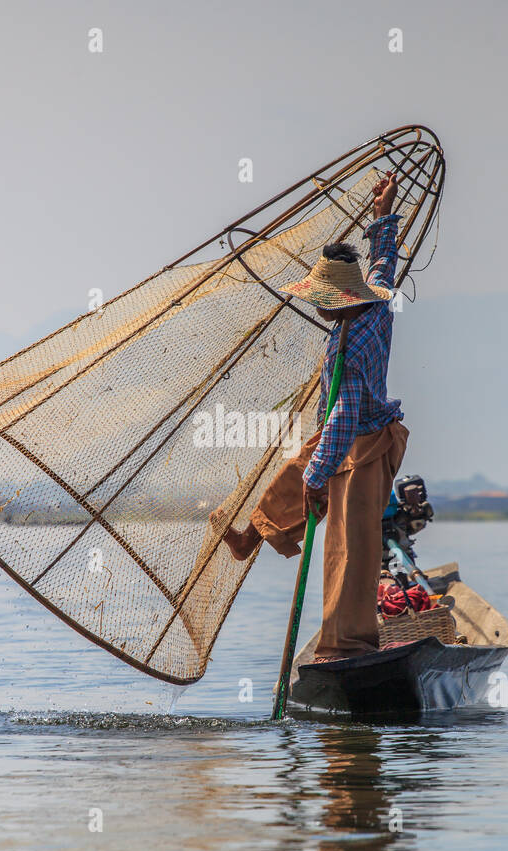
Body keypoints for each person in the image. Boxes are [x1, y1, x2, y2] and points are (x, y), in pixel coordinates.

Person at [218, 173, 409, 662]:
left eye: (322, 300)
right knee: (291, 475)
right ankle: (253, 537)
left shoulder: (349, 341)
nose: (318, 308)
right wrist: (383, 215)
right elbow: (385, 266)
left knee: (348, 548)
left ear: (337, 300)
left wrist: (318, 478)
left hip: (364, 444)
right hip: (342, 431)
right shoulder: (378, 306)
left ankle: (343, 645)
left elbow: (344, 414)